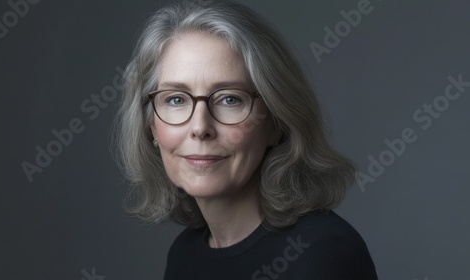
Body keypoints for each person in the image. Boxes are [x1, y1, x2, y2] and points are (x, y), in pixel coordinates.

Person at [114, 0, 378, 279]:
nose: (200, 127)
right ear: (151, 127)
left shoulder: (323, 254)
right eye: (176, 99)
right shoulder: (184, 256)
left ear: (276, 122)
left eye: (230, 99)